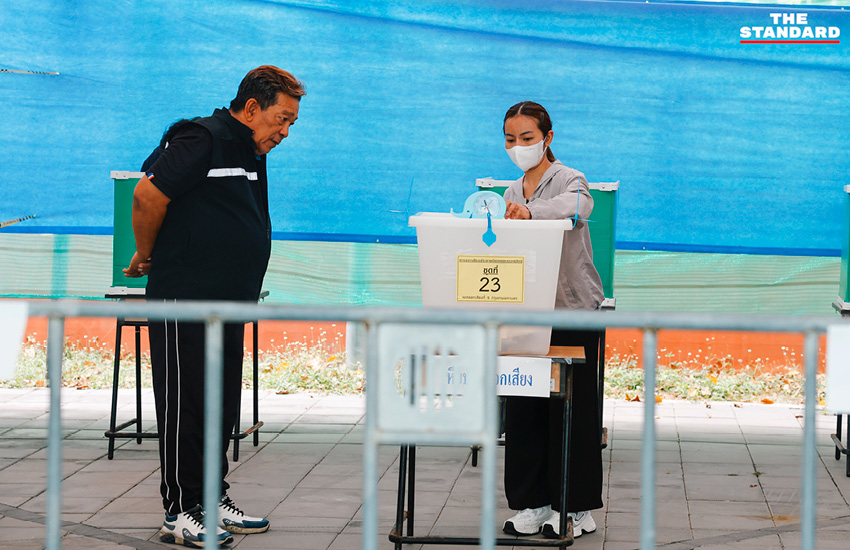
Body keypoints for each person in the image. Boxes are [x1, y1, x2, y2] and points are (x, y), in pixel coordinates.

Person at [124, 65, 305, 547]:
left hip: (229, 301)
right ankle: (179, 510)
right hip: (186, 299)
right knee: (187, 403)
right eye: (281, 119)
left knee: (221, 402)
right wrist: (146, 254)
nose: (285, 132)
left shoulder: (249, 147)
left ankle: (209, 496)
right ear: (251, 108)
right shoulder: (202, 138)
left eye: (292, 123)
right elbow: (147, 193)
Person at [499, 101, 604, 540]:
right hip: (526, 314)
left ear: (548, 138)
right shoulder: (509, 192)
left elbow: (581, 206)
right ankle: (532, 502)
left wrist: (532, 214)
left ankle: (576, 509)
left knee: (573, 413)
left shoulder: (569, 179)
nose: (519, 147)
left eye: (527, 138)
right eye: (510, 139)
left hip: (571, 311)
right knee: (525, 409)